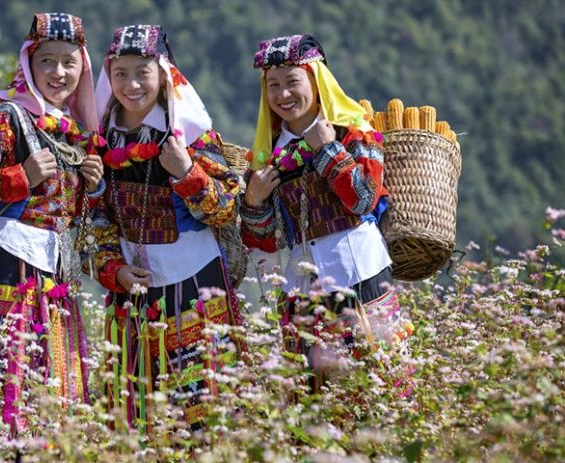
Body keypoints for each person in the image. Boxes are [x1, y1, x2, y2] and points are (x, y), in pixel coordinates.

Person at [0, 12, 105, 435]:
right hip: (9, 259)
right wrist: (20, 177)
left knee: (54, 375)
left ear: (82, 69)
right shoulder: (6, 117)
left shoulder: (71, 131)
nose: (58, 72)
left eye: (69, 62)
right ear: (29, 62)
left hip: (54, 265)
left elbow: (64, 208)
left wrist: (91, 185)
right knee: (9, 373)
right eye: (47, 61)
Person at [81, 24, 243, 431]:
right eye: (120, 73)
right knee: (136, 417)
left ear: (163, 74)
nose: (131, 84)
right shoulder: (100, 140)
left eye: (142, 72)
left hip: (195, 284)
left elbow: (226, 210)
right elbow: (94, 219)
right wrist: (113, 269)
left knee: (205, 413)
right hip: (132, 293)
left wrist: (187, 173)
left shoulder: (190, 134)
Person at [240, 34, 413, 394]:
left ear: (317, 82)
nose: (283, 94)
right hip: (303, 287)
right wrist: (254, 201)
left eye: (293, 81)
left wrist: (326, 149)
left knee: (382, 384)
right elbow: (267, 240)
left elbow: (363, 200)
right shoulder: (268, 155)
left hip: (359, 274)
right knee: (314, 396)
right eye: (273, 85)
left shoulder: (353, 132)